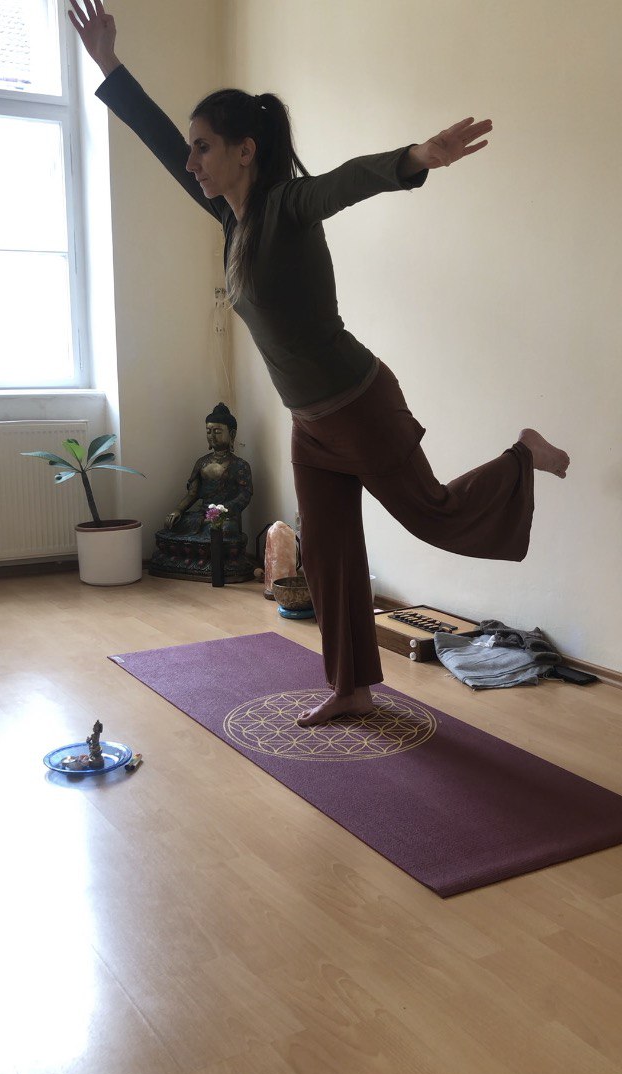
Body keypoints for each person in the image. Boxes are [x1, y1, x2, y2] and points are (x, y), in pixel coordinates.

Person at [69, 0, 570, 727]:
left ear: (245, 150)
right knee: (330, 556)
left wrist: (415, 158)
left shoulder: (288, 206)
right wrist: (110, 65)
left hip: (359, 404)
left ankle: (523, 454)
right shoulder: (231, 218)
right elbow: (156, 137)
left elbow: (347, 180)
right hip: (310, 423)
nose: (191, 161)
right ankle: (351, 687)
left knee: (435, 516)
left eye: (204, 147)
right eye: (193, 148)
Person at [163, 402, 253, 540]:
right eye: (208, 431)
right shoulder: (202, 462)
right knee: (173, 524)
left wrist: (221, 510)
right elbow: (192, 494)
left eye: (217, 432)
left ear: (232, 434)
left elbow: (244, 496)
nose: (212, 436)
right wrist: (178, 510)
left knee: (226, 530)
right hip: (202, 516)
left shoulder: (240, 465)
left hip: (226, 517)